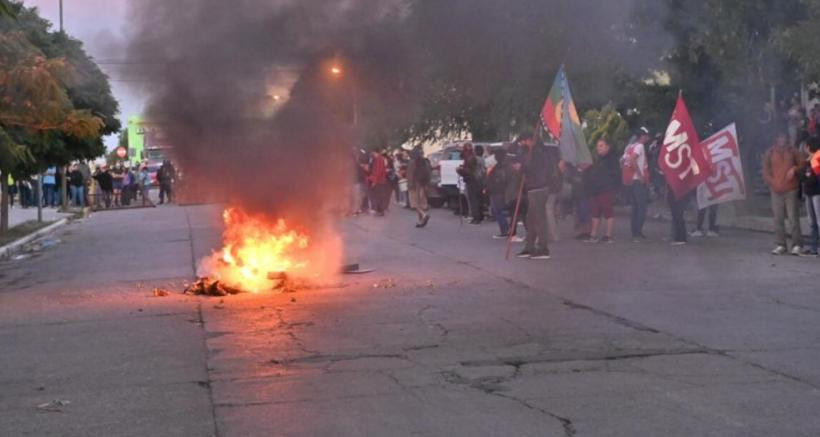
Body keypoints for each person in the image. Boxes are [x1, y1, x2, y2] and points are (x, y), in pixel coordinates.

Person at [515, 132, 557, 260]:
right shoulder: (531, 153)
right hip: (534, 188)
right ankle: (529, 246)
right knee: (531, 220)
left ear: (532, 141)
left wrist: (520, 167)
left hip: (538, 188)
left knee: (539, 220)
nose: (524, 144)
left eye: (526, 141)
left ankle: (543, 248)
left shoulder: (537, 154)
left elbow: (532, 169)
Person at [763, 132, 805, 255]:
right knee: (778, 218)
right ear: (776, 138)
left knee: (793, 218)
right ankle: (781, 244)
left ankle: (797, 244)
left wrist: (794, 169)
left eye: (784, 137)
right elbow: (766, 172)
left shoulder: (793, 151)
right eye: (779, 137)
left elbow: (802, 163)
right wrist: (773, 182)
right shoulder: (769, 153)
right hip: (776, 190)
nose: (782, 139)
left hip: (791, 189)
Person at [583, 139, 620, 243]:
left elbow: (615, 175)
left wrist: (611, 186)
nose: (598, 148)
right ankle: (593, 235)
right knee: (595, 213)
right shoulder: (598, 159)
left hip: (606, 190)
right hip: (595, 190)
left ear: (607, 147)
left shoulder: (612, 159)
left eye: (601, 145)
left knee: (608, 212)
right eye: (598, 146)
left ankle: (608, 236)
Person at [621, 128, 651, 241]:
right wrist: (640, 175)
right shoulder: (640, 147)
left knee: (635, 207)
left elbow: (623, 161)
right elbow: (633, 160)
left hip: (630, 180)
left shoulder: (630, 146)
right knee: (641, 207)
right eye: (646, 135)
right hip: (638, 181)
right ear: (642, 136)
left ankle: (634, 231)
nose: (648, 137)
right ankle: (637, 233)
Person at [800, 138, 820, 256]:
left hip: (817, 193)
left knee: (818, 221)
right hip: (809, 193)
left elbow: (814, 178)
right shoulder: (809, 160)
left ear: (808, 147)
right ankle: (813, 249)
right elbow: (803, 177)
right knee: (812, 222)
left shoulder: (816, 158)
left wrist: (807, 177)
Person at [457, 143, 484, 224]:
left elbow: (469, 172)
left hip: (472, 180)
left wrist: (460, 170)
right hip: (477, 180)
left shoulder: (470, 159)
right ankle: (479, 216)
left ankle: (476, 218)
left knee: (473, 200)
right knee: (477, 199)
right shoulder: (472, 158)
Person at [406, 146, 432, 228]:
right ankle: (420, 221)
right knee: (420, 203)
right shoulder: (424, 161)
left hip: (414, 184)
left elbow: (410, 174)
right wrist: (427, 184)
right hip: (422, 184)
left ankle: (424, 215)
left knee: (415, 203)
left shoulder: (412, 162)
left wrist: (409, 185)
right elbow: (428, 172)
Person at [486, 148, 509, 238]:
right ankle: (505, 229)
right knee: (498, 211)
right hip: (496, 190)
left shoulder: (500, 167)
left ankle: (504, 230)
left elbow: (498, 180)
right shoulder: (500, 166)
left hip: (497, 191)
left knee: (498, 211)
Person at [366, 149, 388, 216]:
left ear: (374, 152)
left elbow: (378, 171)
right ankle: (380, 210)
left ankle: (379, 211)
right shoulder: (380, 159)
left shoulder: (378, 159)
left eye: (372, 153)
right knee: (379, 196)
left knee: (377, 196)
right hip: (380, 180)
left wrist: (374, 181)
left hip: (379, 181)